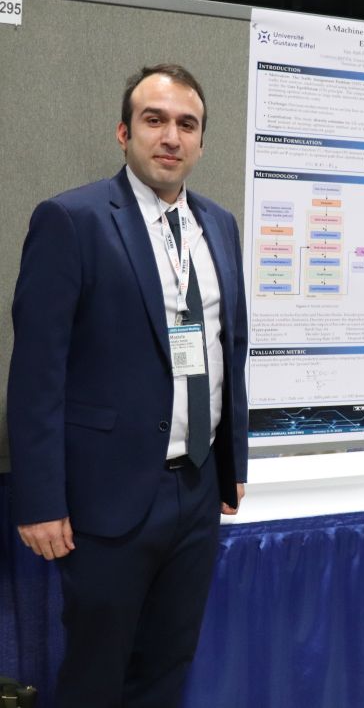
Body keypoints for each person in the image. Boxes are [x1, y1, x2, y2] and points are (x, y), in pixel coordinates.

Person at [7, 64, 249, 708]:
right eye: (155, 120)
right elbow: (36, 374)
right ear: (124, 132)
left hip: (197, 492)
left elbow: (232, 350)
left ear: (201, 142)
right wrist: (38, 500)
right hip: (105, 500)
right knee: (96, 673)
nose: (171, 136)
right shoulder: (72, 220)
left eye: (186, 124)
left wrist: (232, 461)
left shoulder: (219, 226)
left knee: (168, 667)